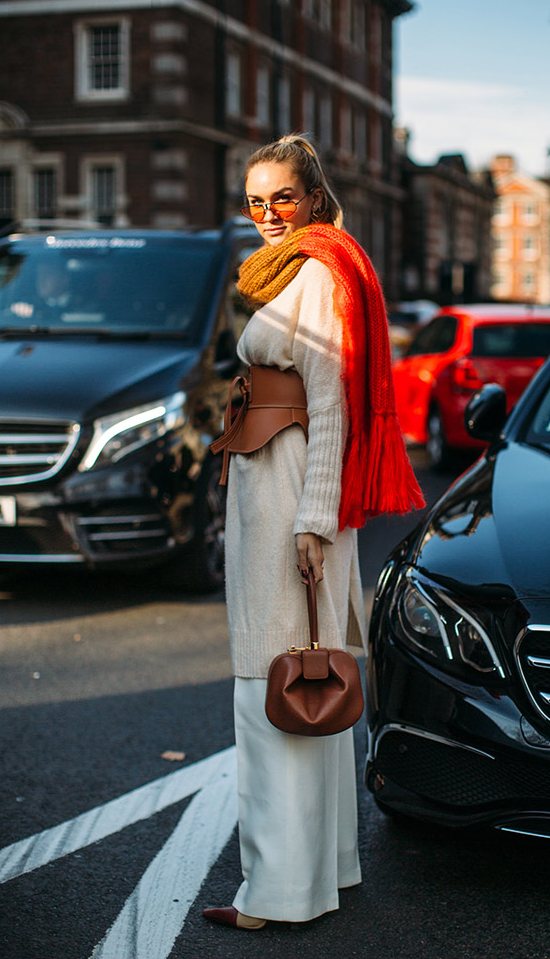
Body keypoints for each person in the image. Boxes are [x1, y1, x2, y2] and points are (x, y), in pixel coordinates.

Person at [202, 135, 424, 931]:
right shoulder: (304, 267)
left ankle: (275, 896)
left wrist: (313, 522)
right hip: (280, 485)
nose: (266, 213)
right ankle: (326, 870)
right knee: (309, 680)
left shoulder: (319, 271)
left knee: (278, 686)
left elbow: (329, 405)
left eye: (281, 198)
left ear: (314, 198)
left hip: (291, 493)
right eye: (255, 200)